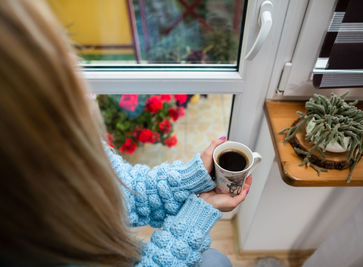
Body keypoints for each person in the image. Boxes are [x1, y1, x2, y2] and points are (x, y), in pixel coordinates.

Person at [0, 0, 252, 266]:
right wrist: (195, 218)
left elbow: (126, 192)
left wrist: (194, 177)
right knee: (216, 262)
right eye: (64, 71)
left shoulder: (58, 153)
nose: (86, 89)